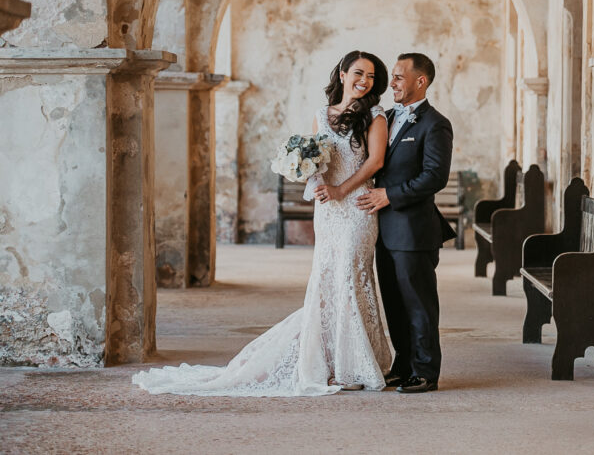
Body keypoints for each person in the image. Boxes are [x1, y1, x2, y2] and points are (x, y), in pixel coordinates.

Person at [132, 51, 393, 396]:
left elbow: (375, 162)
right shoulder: (322, 115)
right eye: (359, 73)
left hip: (357, 208)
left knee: (350, 277)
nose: (365, 81)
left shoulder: (375, 116)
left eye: (372, 77)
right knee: (326, 281)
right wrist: (310, 180)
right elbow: (318, 162)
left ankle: (356, 364)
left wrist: (341, 190)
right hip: (328, 211)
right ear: (343, 74)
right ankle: (328, 362)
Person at [356, 53, 455, 394]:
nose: (392, 83)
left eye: (399, 77)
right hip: (383, 231)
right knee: (394, 304)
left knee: (419, 306)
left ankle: (426, 372)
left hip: (414, 231)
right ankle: (403, 365)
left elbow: (434, 177)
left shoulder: (435, 124)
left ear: (420, 81)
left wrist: (390, 196)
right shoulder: (385, 116)